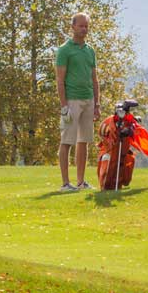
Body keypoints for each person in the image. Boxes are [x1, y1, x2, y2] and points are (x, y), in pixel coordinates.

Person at [55, 12, 101, 191]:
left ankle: (81, 182)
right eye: (81, 26)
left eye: (86, 26)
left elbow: (95, 79)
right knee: (67, 141)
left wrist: (97, 104)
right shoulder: (64, 50)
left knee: (84, 141)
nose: (84, 29)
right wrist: (64, 105)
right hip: (71, 101)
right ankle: (66, 183)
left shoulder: (90, 50)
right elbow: (59, 80)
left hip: (88, 100)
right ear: (73, 27)